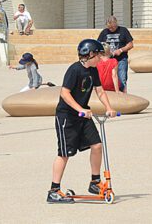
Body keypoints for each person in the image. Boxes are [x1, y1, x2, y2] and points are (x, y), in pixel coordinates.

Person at [47, 39, 116, 204]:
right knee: (64, 153)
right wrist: (80, 109)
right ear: (91, 54)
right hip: (67, 117)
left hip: (84, 115)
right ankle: (54, 191)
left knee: (97, 145)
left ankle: (94, 181)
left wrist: (109, 107)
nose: (100, 58)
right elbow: (65, 93)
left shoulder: (93, 71)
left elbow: (100, 91)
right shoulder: (74, 70)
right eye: (99, 54)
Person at [97, 15, 133, 92]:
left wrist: (120, 50)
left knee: (122, 79)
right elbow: (98, 45)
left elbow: (130, 44)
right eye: (109, 27)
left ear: (116, 24)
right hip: (107, 60)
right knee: (106, 79)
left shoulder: (123, 31)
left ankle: (123, 97)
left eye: (112, 27)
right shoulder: (104, 32)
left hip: (121, 59)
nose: (110, 29)